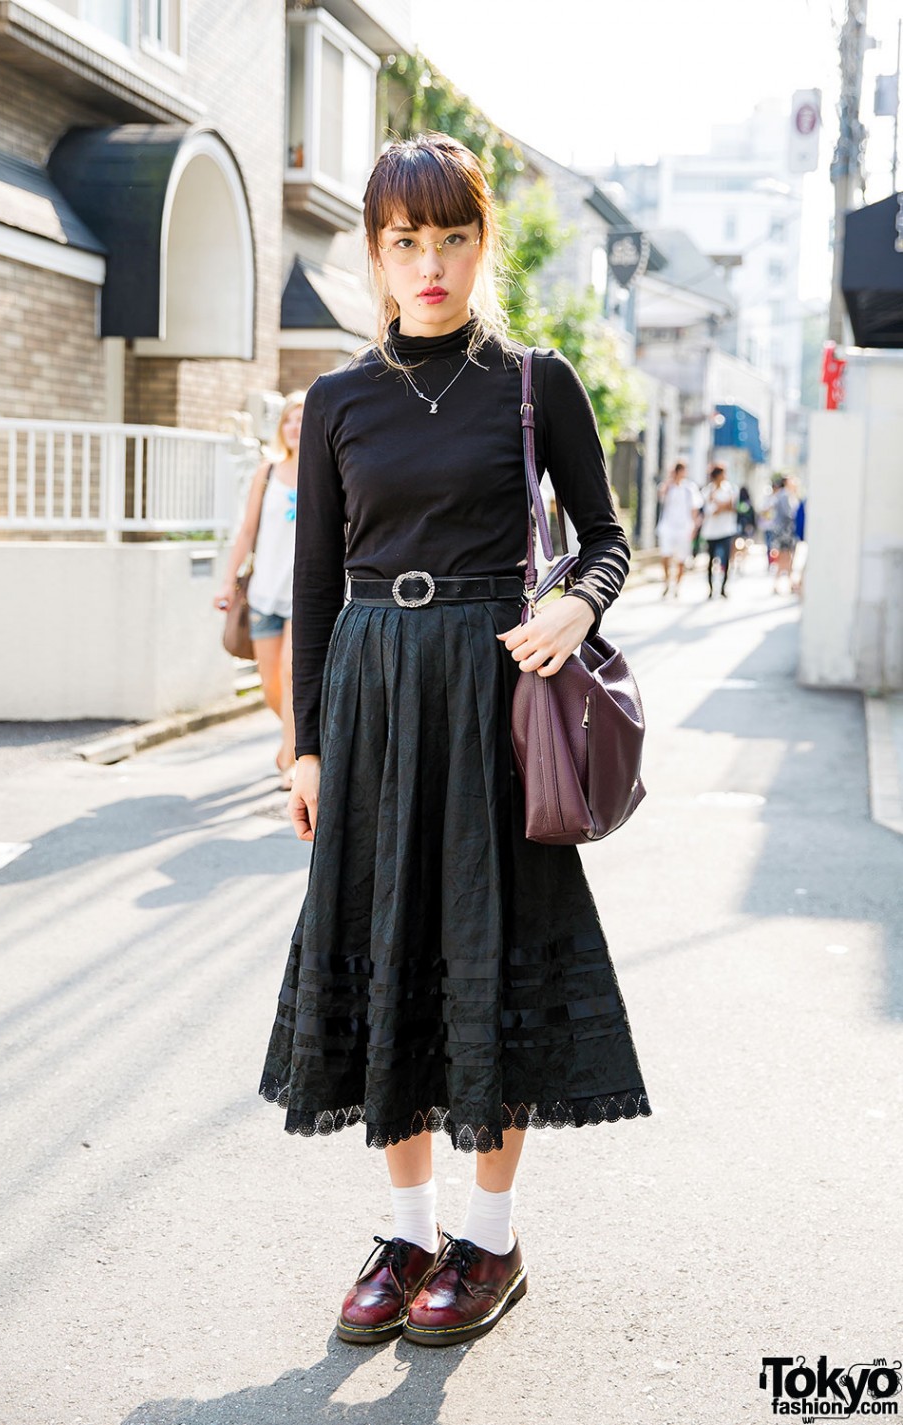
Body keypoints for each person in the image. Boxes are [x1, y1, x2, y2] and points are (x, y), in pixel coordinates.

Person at [258, 133, 650, 1349]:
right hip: (372, 703)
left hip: (495, 700)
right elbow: (316, 591)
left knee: (493, 954)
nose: (428, 263)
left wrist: (572, 607)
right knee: (383, 963)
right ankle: (410, 1227)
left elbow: (603, 535)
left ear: (486, 242)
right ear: (375, 253)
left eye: (452, 237)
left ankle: (490, 1236)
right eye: (403, 241)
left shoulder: (533, 380)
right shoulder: (336, 398)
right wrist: (306, 746)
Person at [215, 393, 304, 788]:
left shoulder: (328, 471)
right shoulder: (267, 472)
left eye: (303, 419)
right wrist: (228, 582)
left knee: (290, 671)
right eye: (289, 420)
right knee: (269, 682)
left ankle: (292, 758)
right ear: (281, 427)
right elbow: (247, 531)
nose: (296, 427)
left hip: (304, 596)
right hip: (265, 592)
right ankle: (295, 739)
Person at [655, 460, 701, 597]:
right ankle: (667, 581)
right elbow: (660, 496)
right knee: (665, 555)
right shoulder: (668, 486)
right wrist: (669, 481)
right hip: (667, 526)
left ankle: (677, 586)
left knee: (681, 559)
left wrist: (694, 527)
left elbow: (694, 509)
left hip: (684, 527)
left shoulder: (690, 488)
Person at [699, 462, 738, 599]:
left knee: (725, 560)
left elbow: (732, 507)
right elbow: (710, 511)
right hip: (711, 531)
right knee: (710, 560)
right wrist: (723, 505)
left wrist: (719, 504)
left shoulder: (730, 489)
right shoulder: (708, 491)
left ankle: (723, 588)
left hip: (726, 530)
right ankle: (710, 588)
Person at [769, 474, 798, 595]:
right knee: (786, 557)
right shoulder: (785, 495)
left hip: (783, 530)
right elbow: (789, 513)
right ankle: (785, 584)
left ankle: (789, 583)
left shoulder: (781, 495)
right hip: (785, 531)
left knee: (786, 557)